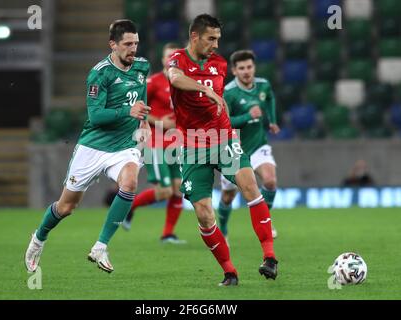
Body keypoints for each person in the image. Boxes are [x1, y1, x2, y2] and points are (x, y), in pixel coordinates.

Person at [25, 19, 151, 274]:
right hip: (93, 147)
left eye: (136, 43)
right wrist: (129, 111)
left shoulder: (142, 67)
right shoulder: (99, 73)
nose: (133, 49)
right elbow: (96, 117)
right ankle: (38, 238)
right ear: (112, 45)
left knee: (130, 183)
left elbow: (140, 97)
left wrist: (145, 121)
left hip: (124, 146)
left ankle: (101, 246)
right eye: (127, 44)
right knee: (66, 207)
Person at [166, 14, 278, 286]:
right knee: (204, 214)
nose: (216, 44)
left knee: (250, 184)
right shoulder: (178, 59)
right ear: (195, 37)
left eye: (218, 39)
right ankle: (230, 272)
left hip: (223, 138)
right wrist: (209, 93)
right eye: (211, 38)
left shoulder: (219, 63)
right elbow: (175, 78)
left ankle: (270, 258)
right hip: (192, 144)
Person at [121, 43, 186, 244]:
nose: (171, 60)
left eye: (174, 56)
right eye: (168, 56)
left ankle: (167, 234)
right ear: (162, 60)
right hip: (155, 142)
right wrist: (160, 122)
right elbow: (136, 107)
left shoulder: (184, 82)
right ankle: (129, 207)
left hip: (177, 142)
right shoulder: (154, 82)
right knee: (165, 191)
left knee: (178, 190)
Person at [218, 50, 280, 242]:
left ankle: (265, 222)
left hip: (258, 145)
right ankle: (224, 229)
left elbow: (270, 98)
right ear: (234, 71)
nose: (246, 71)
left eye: (249, 67)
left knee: (270, 181)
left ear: (254, 67)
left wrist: (272, 120)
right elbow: (224, 121)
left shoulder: (263, 85)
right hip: (234, 150)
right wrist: (248, 116)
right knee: (228, 197)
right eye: (241, 68)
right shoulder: (229, 92)